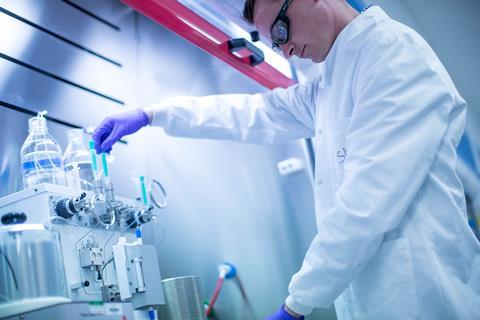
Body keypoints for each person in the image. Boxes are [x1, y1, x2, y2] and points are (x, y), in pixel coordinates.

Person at [93, 0, 480, 319]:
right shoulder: (331, 82)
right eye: (276, 43)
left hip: (426, 302)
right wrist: (155, 114)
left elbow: (366, 206)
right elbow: (254, 114)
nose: (285, 49)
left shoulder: (391, 55)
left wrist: (294, 305)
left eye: (280, 31)